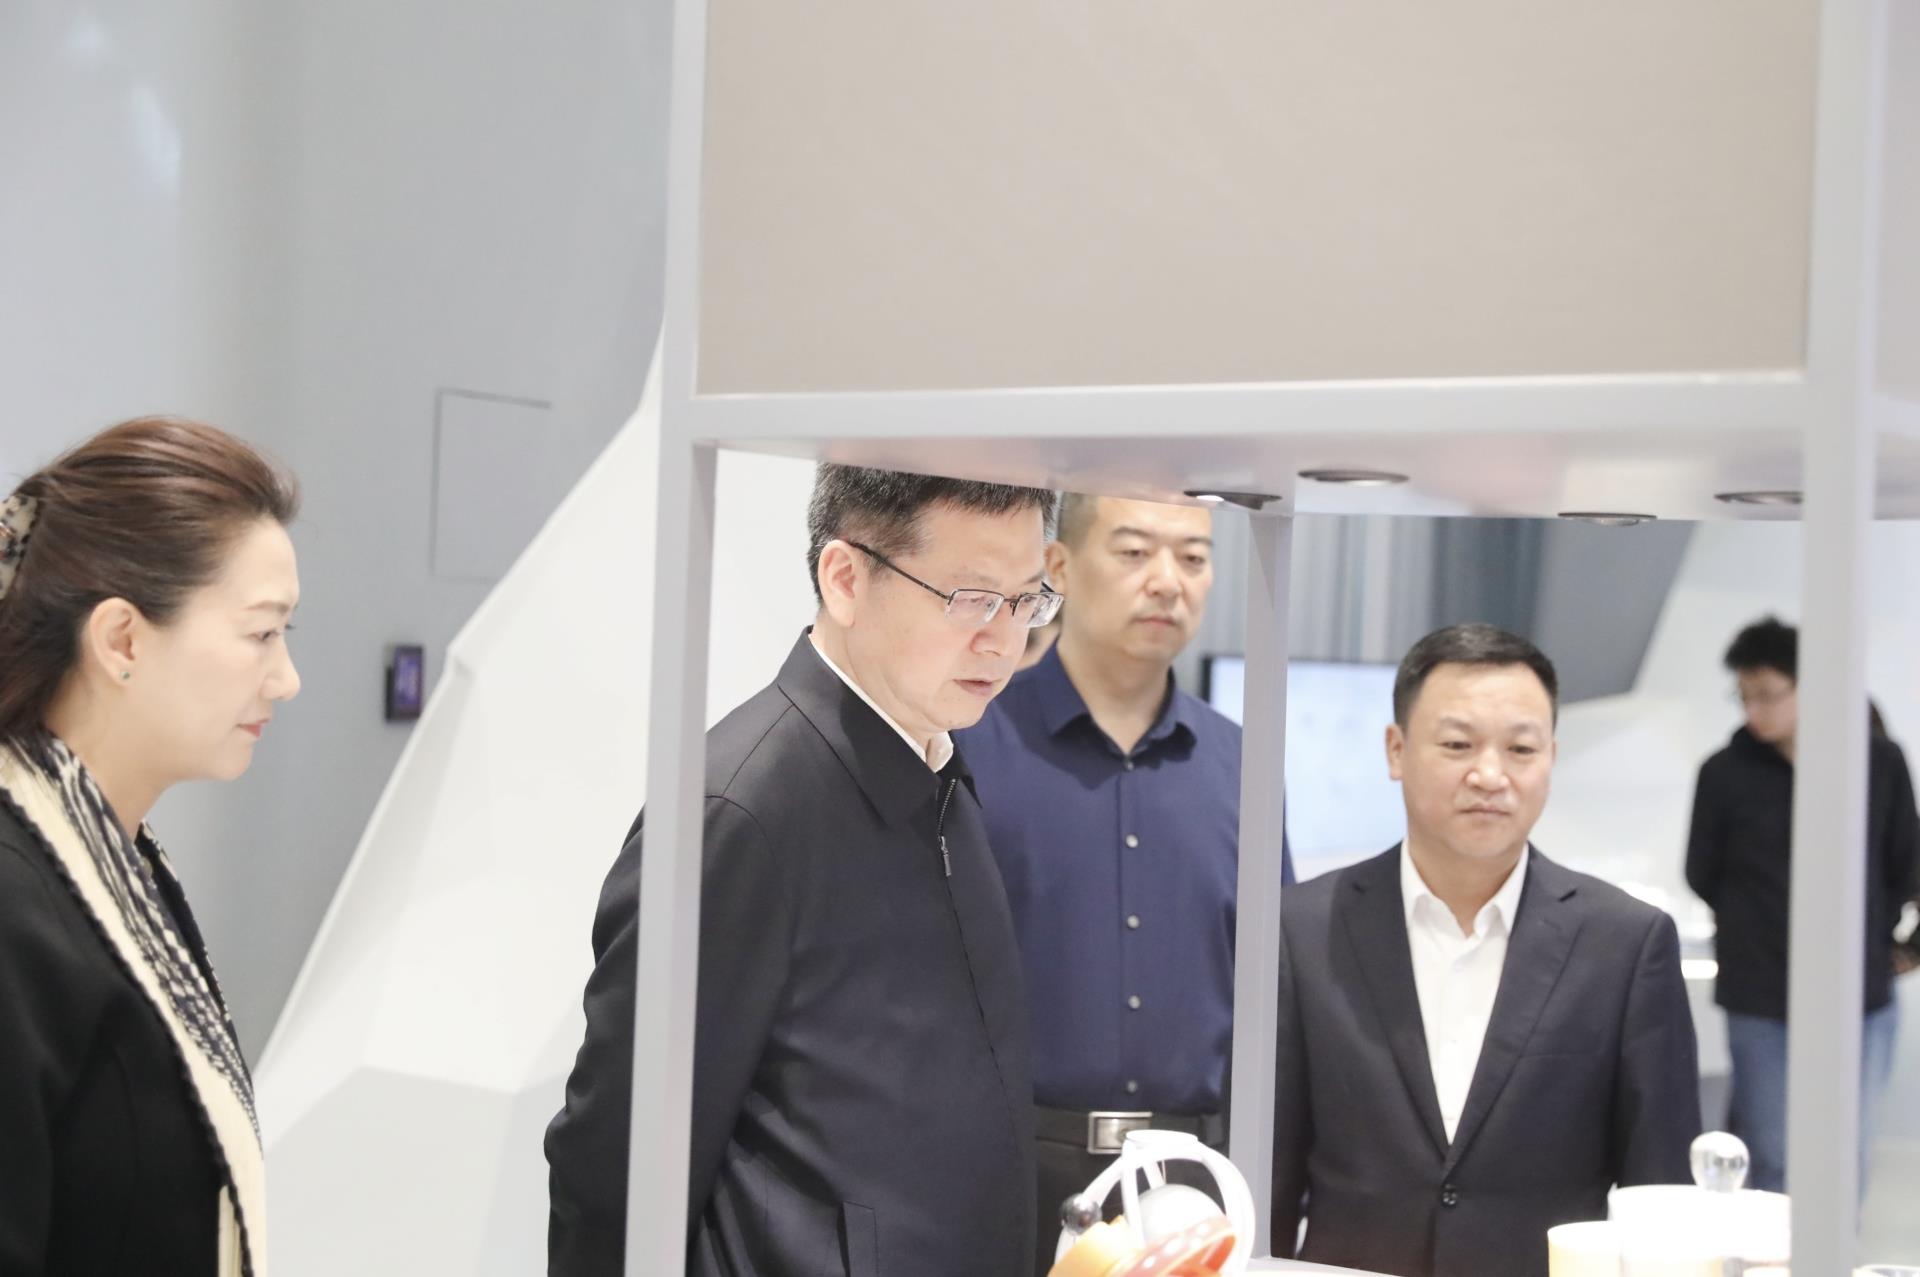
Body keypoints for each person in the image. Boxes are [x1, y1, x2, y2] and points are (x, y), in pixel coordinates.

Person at [545, 464, 1060, 1277]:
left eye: (1027, 600)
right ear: (846, 578)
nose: (1004, 639)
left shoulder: (938, 769)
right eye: (971, 598)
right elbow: (615, 1169)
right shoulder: (741, 809)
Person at [1270, 623, 1698, 1277]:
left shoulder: (1626, 943)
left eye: (1521, 748)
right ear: (1396, 749)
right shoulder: (1301, 929)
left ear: (1551, 756)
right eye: (1457, 744)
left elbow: (1662, 1196)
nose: (1490, 774)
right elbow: (1266, 1177)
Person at [954, 493, 1293, 1274]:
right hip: (1006, 1171)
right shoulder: (972, 740)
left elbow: (1275, 987)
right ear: (1059, 566)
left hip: (1195, 1183)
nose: (1168, 580)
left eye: (1194, 557)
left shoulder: (1243, 763)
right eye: (1135, 552)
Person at [0, 417, 302, 1276]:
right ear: (122, 641)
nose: (286, 679)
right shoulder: (16, 899)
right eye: (261, 632)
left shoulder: (115, 865)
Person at [1685, 617, 1919, 1194]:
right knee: (1771, 1151)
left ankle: (1835, 1247)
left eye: (1768, 694)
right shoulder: (1724, 773)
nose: (1754, 710)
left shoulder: (1877, 763)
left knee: (1845, 1154)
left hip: (1857, 992)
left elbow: (1907, 861)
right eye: (1745, 695)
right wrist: (1757, 921)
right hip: (1760, 991)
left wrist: (1894, 941)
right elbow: (1702, 871)